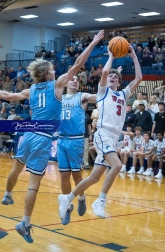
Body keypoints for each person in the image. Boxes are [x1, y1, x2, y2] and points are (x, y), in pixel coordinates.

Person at [0, 29, 104, 243]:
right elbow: (78, 64)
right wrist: (93, 43)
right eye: (52, 68)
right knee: (33, 184)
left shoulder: (33, 88)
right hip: (41, 138)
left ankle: (8, 196)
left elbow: (8, 95)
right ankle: (25, 223)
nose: (55, 70)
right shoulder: (56, 86)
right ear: (47, 73)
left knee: (17, 167)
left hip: (28, 133)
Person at [58, 44, 142, 221]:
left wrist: (134, 57)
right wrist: (111, 56)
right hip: (102, 134)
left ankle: (68, 198)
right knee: (117, 166)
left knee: (94, 177)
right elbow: (104, 73)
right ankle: (100, 200)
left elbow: (139, 78)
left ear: (119, 82)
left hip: (113, 139)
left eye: (114, 77)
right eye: (110, 76)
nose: (111, 77)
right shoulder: (103, 92)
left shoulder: (124, 94)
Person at [57, 31, 104, 225]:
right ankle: (67, 206)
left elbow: (100, 95)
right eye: (72, 79)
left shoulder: (82, 97)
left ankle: (82, 198)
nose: (75, 80)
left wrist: (106, 80)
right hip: (61, 140)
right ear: (66, 82)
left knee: (77, 176)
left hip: (76, 141)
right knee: (63, 177)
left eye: (77, 79)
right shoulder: (59, 96)